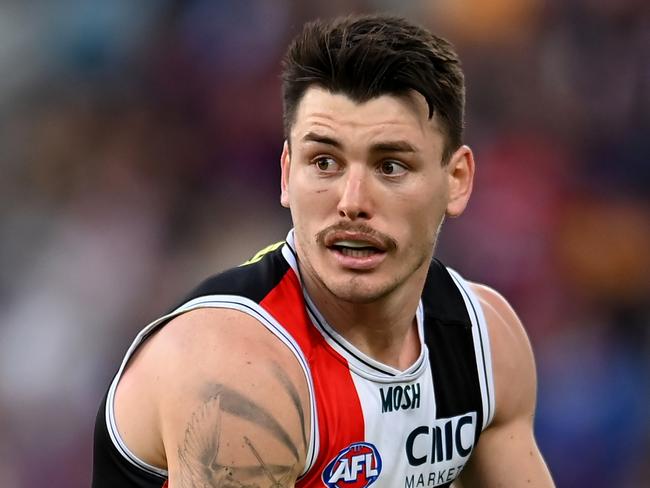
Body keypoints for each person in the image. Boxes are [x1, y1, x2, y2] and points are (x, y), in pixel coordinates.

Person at [92, 13, 555, 488]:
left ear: (456, 181)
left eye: (391, 166)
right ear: (286, 174)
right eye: (325, 162)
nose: (352, 202)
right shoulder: (237, 372)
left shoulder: (484, 343)